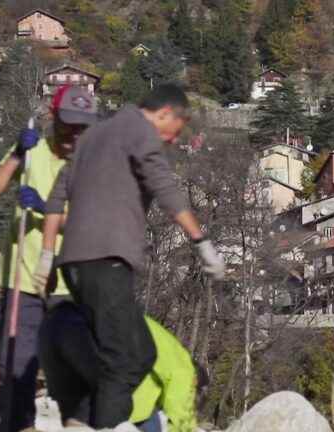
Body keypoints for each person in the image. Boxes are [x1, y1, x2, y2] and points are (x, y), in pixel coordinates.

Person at [35, 84, 224, 428]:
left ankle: (84, 419)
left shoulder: (93, 136)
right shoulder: (139, 130)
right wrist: (200, 240)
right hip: (107, 260)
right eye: (174, 131)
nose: (171, 140)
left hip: (74, 263)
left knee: (138, 353)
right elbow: (163, 185)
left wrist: (48, 256)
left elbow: (56, 197)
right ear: (165, 113)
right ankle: (104, 427)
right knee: (124, 361)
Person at [0, 85, 98, 432]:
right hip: (23, 282)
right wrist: (17, 153)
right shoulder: (33, 154)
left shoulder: (91, 166)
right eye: (67, 124)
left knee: (78, 370)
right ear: (52, 118)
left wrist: (47, 211)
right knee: (16, 370)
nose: (73, 135)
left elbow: (89, 224)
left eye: (82, 128)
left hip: (70, 286)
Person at [39, 301, 203, 432]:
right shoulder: (184, 368)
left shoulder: (167, 344)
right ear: (196, 380)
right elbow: (180, 409)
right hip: (125, 402)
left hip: (100, 380)